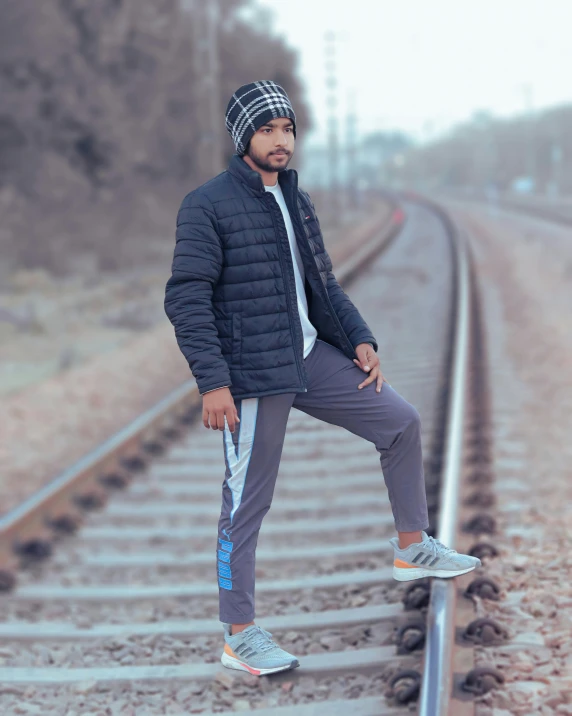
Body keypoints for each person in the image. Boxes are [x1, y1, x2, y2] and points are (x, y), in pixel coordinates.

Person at [164, 80, 481, 677]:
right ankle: (240, 635)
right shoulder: (206, 205)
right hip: (252, 373)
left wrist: (360, 338)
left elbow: (322, 286)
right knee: (245, 504)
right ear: (244, 139)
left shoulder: (294, 198)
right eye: (267, 130)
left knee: (400, 423)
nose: (281, 141)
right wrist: (212, 381)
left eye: (287, 129)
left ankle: (413, 548)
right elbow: (186, 299)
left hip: (308, 355)